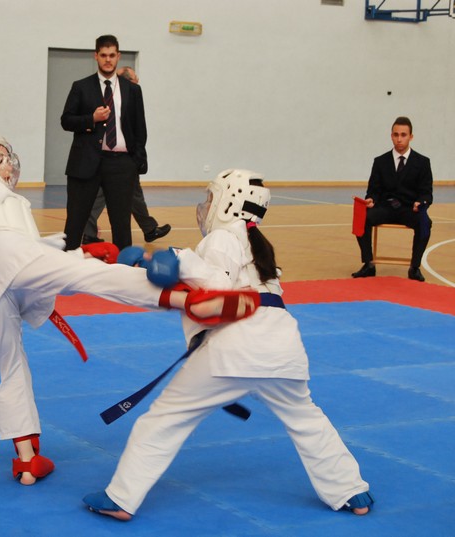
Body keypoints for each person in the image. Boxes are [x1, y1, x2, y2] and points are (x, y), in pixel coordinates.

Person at [0, 133, 261, 487]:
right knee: (93, 277)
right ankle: (189, 300)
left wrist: (80, 252)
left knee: (11, 365)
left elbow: (30, 252)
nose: (6, 164)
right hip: (6, 261)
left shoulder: (0, 202)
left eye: (5, 156)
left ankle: (27, 460)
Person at [84, 169, 374, 520]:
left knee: (163, 420)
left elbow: (217, 286)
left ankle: (121, 497)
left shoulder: (222, 237)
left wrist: (177, 258)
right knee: (307, 419)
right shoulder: (257, 244)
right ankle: (350, 490)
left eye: (211, 198)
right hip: (282, 347)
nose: (206, 205)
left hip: (236, 346)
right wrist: (152, 264)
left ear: (229, 201)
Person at [61, 34, 148, 252]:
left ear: (118, 56)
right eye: (103, 55)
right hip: (86, 161)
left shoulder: (132, 90)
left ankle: (123, 266)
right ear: (96, 56)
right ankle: (68, 261)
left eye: (111, 55)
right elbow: (66, 120)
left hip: (121, 164)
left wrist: (134, 161)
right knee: (76, 220)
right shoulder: (81, 86)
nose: (107, 60)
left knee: (121, 223)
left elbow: (140, 128)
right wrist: (91, 118)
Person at [82, 66, 170, 245]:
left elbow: (139, 129)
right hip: (110, 159)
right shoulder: (109, 98)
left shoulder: (130, 97)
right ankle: (89, 233)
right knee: (104, 196)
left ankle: (149, 228)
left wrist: (137, 157)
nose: (137, 84)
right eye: (135, 80)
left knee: (132, 194)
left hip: (127, 159)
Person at [352, 116, 433, 282]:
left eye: (403, 135)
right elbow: (373, 189)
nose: (399, 139)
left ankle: (414, 267)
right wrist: (371, 199)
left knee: (425, 222)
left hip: (409, 209)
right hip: (385, 207)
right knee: (362, 218)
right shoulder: (380, 161)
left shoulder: (423, 162)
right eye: (396, 135)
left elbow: (427, 193)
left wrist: (421, 202)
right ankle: (368, 264)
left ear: (411, 137)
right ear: (391, 136)